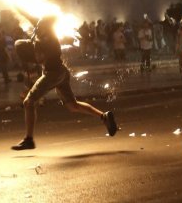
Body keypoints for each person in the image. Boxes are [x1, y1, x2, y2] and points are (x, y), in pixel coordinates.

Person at [11, 17, 118, 151]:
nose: (37, 28)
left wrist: (30, 49)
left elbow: (39, 58)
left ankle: (29, 139)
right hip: (61, 72)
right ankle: (104, 116)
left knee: (29, 102)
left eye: (40, 27)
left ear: (45, 28)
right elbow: (31, 18)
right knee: (73, 106)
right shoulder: (44, 33)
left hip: (53, 74)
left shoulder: (48, 40)